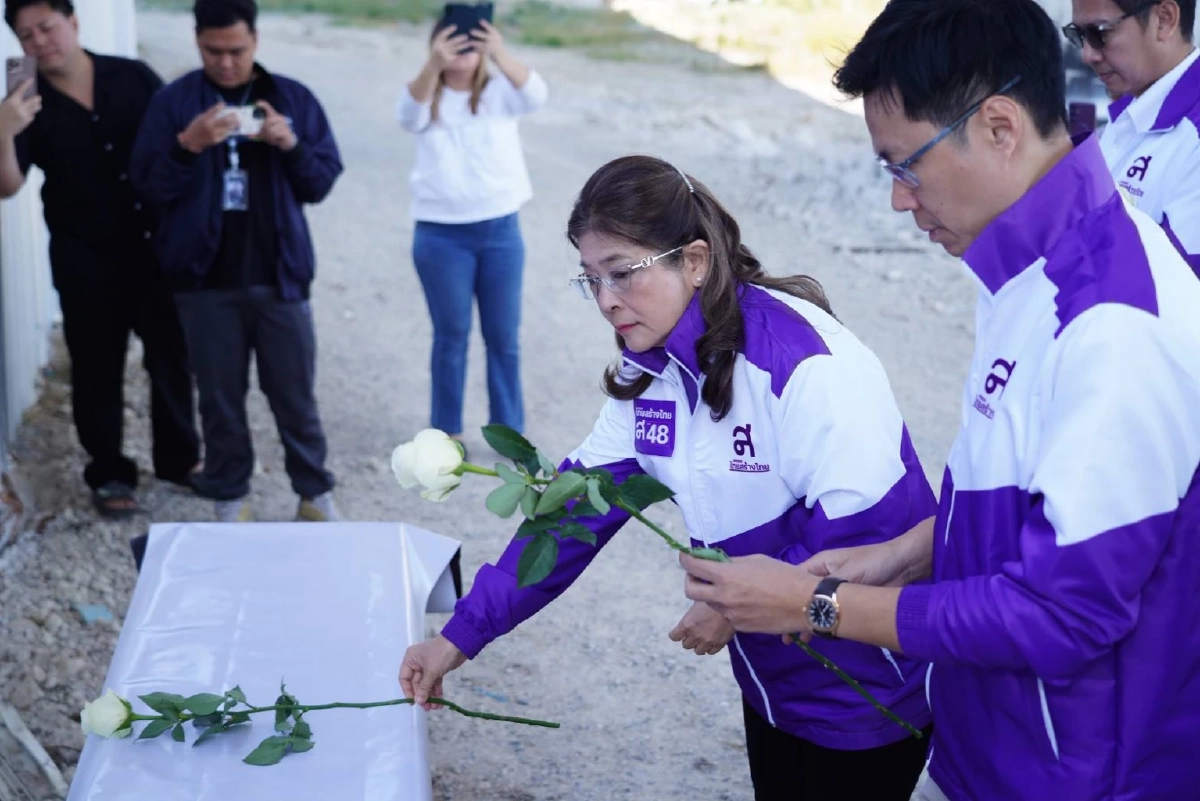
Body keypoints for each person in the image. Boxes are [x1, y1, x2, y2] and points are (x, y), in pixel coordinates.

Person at [679, 1, 1200, 799]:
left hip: (1082, 772)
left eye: (904, 163)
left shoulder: (1111, 325)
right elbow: (1037, 500)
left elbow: (1063, 617)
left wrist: (817, 603)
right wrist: (908, 555)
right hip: (1006, 742)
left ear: (999, 127)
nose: (898, 199)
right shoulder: (1034, 265)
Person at [401, 155, 938, 799]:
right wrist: (458, 638)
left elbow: (869, 541)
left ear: (695, 260)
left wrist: (729, 608)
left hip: (869, 690)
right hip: (772, 682)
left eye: (622, 274)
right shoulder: (651, 373)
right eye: (590, 279)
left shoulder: (804, 364)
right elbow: (570, 521)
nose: (605, 301)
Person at [130, 0, 343, 523]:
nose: (225, 63)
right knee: (220, 401)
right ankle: (231, 496)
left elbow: (320, 182)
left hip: (280, 277)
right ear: (196, 40)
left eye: (237, 51)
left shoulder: (291, 98)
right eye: (212, 51)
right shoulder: (175, 102)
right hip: (204, 282)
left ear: (256, 40)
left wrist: (289, 143)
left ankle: (314, 495)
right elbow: (147, 186)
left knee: (295, 398)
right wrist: (188, 144)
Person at [0, 0, 201, 518]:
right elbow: (8, 185)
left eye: (47, 27)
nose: (39, 42)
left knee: (172, 358)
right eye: (26, 36)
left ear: (73, 22)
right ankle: (109, 472)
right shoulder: (25, 100)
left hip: (156, 247)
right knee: (95, 367)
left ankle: (181, 460)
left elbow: (179, 142)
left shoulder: (131, 76)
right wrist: (4, 128)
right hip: (84, 255)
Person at [396, 10, 546, 455]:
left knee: (503, 337)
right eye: (451, 40)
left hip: (500, 229)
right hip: (441, 236)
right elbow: (407, 116)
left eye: (470, 40)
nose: (461, 48)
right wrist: (434, 64)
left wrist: (499, 53)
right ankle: (446, 433)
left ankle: (509, 431)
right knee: (451, 335)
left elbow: (537, 95)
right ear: (435, 42)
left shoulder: (501, 92)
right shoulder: (427, 95)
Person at [1067, 0, 1200, 276]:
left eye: (1099, 33)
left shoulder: (1192, 136)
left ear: (1164, 19)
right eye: (1079, 36)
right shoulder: (1131, 113)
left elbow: (1171, 287)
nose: (1087, 55)